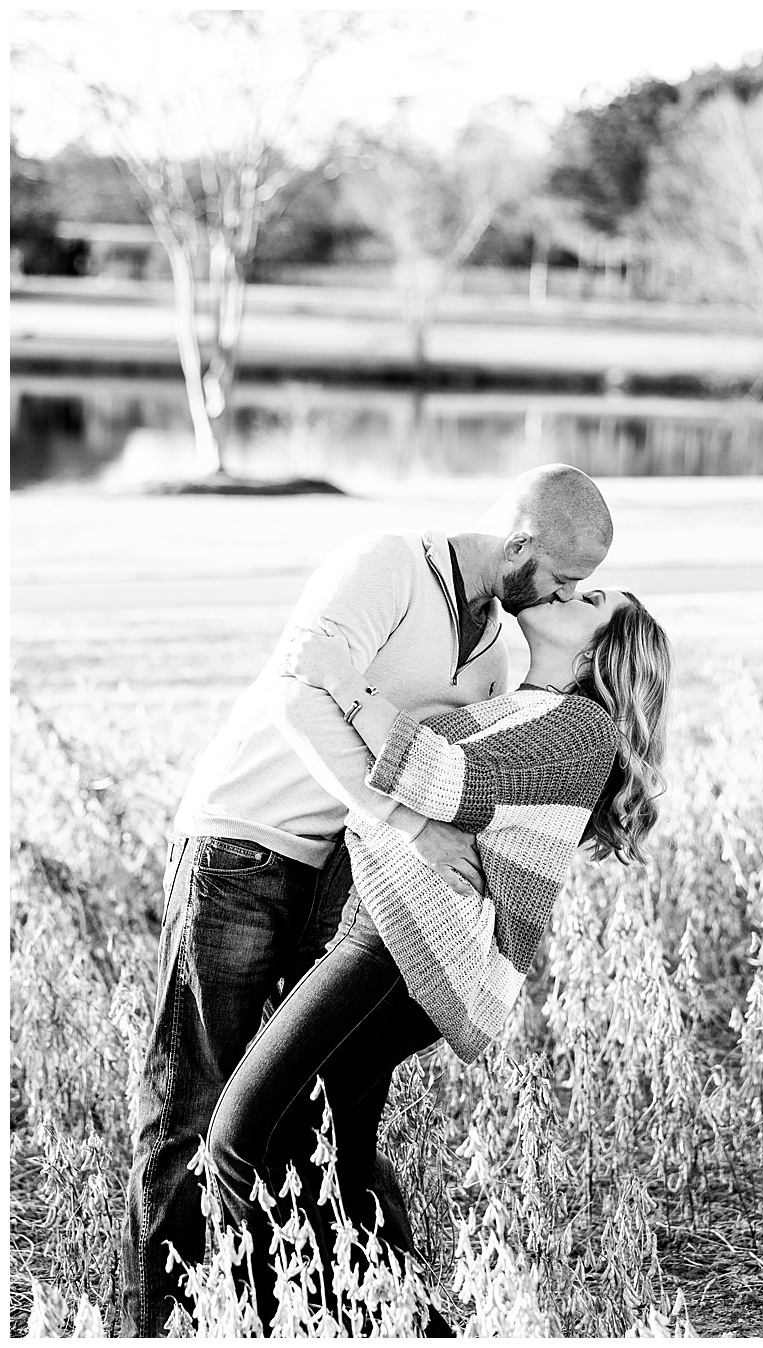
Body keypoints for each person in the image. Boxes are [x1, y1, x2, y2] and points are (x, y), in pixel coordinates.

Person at [123, 464, 612, 1336]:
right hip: (243, 846)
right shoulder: (386, 565)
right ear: (521, 545)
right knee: (193, 1112)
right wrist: (408, 821)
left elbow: (454, 774)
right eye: (563, 579)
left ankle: (327, 1317)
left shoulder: (497, 654)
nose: (566, 595)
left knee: (314, 1119)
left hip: (344, 881)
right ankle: (158, 1328)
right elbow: (298, 693)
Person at [206, 587, 670, 1333]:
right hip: (385, 938)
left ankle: (283, 1324)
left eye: (589, 599)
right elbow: (414, 773)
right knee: (336, 1167)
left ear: (598, 653)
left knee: (241, 1139)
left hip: (404, 959)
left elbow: (442, 779)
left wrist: (340, 681)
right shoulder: (518, 706)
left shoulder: (580, 731)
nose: (564, 590)